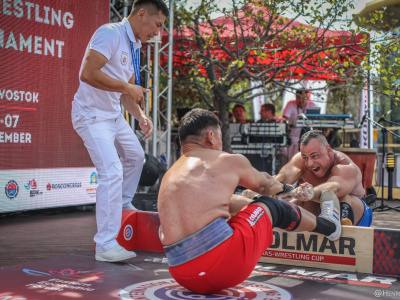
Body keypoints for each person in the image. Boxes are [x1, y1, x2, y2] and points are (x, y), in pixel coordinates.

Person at [157, 108, 342, 295]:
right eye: (220, 138)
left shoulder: (171, 173)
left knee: (256, 204)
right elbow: (266, 186)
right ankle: (330, 227)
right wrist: (289, 191)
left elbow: (225, 202)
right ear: (211, 137)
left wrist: (253, 203)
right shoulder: (226, 160)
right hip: (220, 268)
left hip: (181, 274)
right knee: (272, 206)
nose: (221, 144)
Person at [71, 0, 169, 262]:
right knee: (111, 171)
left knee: (136, 157)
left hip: (112, 115)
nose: (158, 32)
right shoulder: (111, 32)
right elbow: (88, 73)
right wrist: (127, 89)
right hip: (91, 115)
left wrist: (141, 117)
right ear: (141, 14)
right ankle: (104, 245)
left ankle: (123, 204)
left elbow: (127, 90)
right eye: (157, 24)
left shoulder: (134, 45)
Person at [275, 130, 373, 227]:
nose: (310, 163)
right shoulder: (301, 160)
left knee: (344, 198)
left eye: (315, 156)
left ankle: (344, 228)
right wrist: (271, 189)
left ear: (328, 149)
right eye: (305, 158)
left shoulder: (346, 167)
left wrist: (308, 192)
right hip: (319, 213)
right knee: (286, 206)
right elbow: (284, 176)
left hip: (353, 214)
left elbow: (334, 187)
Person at [283, 87, 317, 159]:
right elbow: (284, 119)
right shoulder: (291, 104)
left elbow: (316, 122)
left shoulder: (312, 105)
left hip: (308, 139)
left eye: (303, 98)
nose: (300, 100)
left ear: (307, 97)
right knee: (292, 160)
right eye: (298, 98)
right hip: (293, 138)